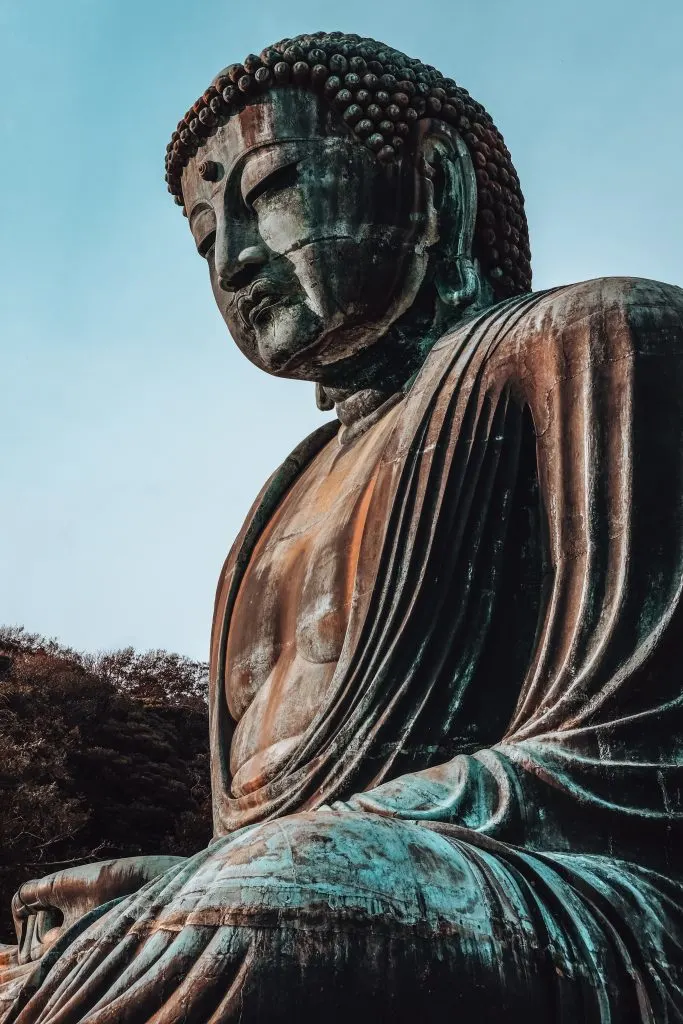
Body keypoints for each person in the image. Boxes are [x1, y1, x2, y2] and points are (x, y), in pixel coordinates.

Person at [2, 30, 682, 1023]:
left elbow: (638, 757)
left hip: (574, 897)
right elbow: (268, 827)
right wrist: (177, 876)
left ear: (430, 183)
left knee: (258, 911)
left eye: (271, 192)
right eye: (203, 238)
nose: (233, 260)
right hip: (332, 879)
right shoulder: (279, 501)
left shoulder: (598, 342)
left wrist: (253, 867)